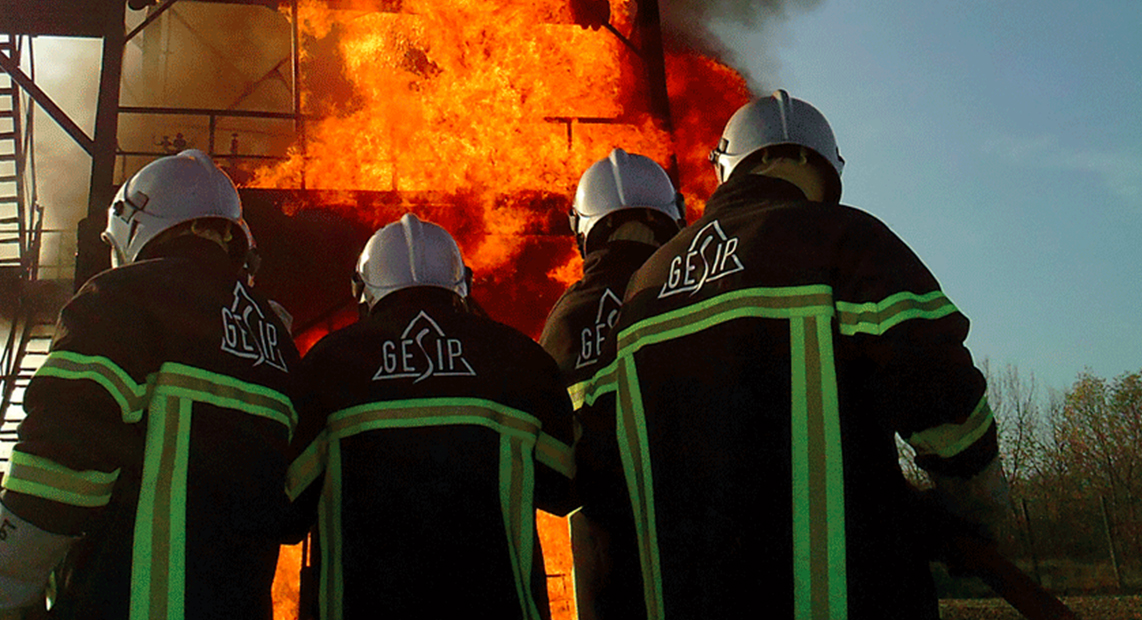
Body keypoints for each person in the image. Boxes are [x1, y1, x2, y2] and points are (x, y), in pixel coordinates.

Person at [574, 91, 1010, 620]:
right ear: (826, 169)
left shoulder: (644, 288)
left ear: (727, 169)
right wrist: (974, 511)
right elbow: (940, 395)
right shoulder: (846, 238)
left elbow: (600, 466)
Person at [0, 149, 302, 620]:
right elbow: (290, 511)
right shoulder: (277, 341)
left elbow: (61, 462)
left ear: (134, 224)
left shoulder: (122, 296)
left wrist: (0, 593)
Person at [286, 213, 577, 619]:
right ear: (462, 286)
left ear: (363, 291)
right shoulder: (519, 359)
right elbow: (565, 488)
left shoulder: (329, 365)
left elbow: (286, 512)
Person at [538, 148, 683, 619]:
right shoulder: (699, 286)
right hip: (707, 555)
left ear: (585, 227)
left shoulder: (565, 322)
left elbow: (554, 480)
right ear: (671, 216)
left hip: (608, 576)